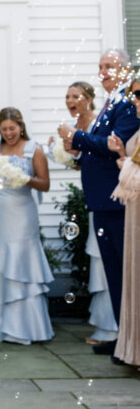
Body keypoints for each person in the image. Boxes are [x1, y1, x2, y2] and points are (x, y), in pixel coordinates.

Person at [58, 49, 137, 355]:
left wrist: (77, 137)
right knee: (114, 274)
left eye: (110, 66)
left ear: (125, 70)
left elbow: (113, 144)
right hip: (102, 201)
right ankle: (123, 337)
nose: (103, 71)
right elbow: (101, 146)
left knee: (124, 273)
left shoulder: (127, 104)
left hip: (117, 201)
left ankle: (130, 339)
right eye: (100, 66)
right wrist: (78, 150)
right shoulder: (109, 102)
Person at [0, 107, 53, 344]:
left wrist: (26, 179)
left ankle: (25, 327)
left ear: (21, 126)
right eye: (4, 129)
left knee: (20, 262)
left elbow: (45, 184)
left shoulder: (34, 149)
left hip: (22, 215)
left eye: (12, 128)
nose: (9, 133)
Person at [52, 81, 118, 345]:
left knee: (104, 262)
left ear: (89, 99)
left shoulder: (97, 124)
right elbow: (87, 162)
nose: (71, 101)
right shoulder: (75, 128)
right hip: (93, 198)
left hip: (105, 199)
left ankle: (111, 328)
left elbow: (104, 152)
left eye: (76, 96)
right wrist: (71, 157)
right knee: (99, 260)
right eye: (67, 96)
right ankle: (106, 325)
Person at [108, 74, 140, 367]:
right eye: (133, 95)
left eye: (139, 94)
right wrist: (122, 153)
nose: (135, 101)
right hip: (134, 209)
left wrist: (125, 163)